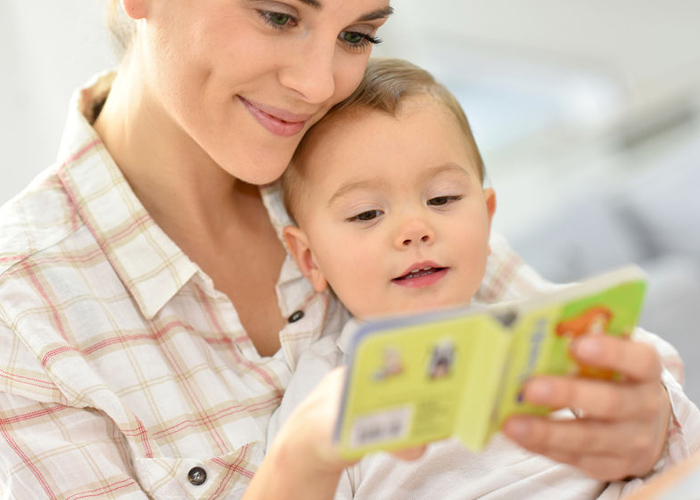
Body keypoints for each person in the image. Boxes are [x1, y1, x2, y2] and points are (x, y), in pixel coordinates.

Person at [0, 1, 695, 499]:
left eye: (358, 33)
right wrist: (305, 457)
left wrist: (648, 423)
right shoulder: (24, 319)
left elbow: (613, 388)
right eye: (279, 16)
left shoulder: (369, 166)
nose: (319, 84)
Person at [268, 58, 700, 498]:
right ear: (310, 258)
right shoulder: (323, 392)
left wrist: (654, 413)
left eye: (442, 198)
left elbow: (668, 427)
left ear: (487, 216)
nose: (415, 229)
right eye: (367, 214)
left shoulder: (539, 329)